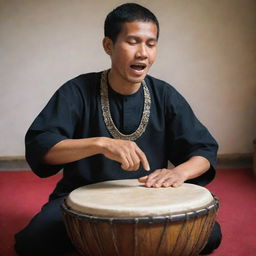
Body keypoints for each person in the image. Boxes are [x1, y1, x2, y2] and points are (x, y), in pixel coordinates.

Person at [15, 3, 222, 256]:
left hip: (149, 199)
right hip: (80, 199)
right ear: (108, 46)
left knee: (210, 235)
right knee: (33, 242)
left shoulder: (164, 95)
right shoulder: (77, 91)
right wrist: (100, 144)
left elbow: (203, 149)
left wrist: (179, 172)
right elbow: (41, 146)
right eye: (133, 42)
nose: (143, 53)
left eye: (151, 43)